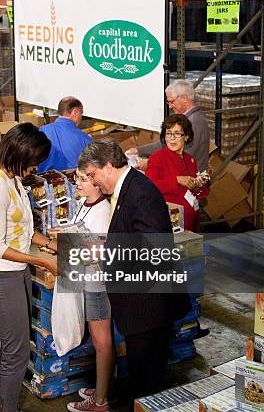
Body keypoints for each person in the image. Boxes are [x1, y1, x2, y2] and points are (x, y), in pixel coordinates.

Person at [78, 140, 190, 404]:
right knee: (141, 378)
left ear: (107, 166)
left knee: (146, 383)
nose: (93, 182)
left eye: (93, 175)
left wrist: (106, 255)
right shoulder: (126, 188)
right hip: (140, 303)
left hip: (147, 305)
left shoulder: (139, 192)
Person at [0, 122, 57, 412]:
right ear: (19, 154)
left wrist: (49, 244)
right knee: (16, 352)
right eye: (33, 162)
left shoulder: (13, 181)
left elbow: (22, 230)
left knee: (18, 348)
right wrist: (41, 261)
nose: (35, 168)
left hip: (15, 271)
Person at [51, 169, 113, 412]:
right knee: (97, 338)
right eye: (76, 178)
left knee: (101, 341)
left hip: (97, 282)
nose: (77, 183)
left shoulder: (103, 211)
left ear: (98, 183)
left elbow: (96, 252)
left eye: (84, 179)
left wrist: (64, 245)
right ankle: (101, 387)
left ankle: (100, 402)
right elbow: (80, 232)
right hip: (85, 279)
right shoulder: (84, 204)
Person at [128, 80, 210, 172]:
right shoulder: (185, 119)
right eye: (169, 102)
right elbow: (165, 143)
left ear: (184, 98)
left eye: (172, 102)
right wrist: (139, 150)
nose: (170, 106)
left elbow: (182, 154)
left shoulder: (195, 122)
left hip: (190, 179)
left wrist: (150, 163)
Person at [145, 114, 209, 232]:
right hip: (172, 219)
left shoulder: (190, 160)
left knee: (190, 248)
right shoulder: (157, 158)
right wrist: (177, 180)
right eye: (168, 133)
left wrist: (199, 185)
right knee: (175, 248)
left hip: (191, 222)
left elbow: (195, 193)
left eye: (177, 133)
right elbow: (149, 186)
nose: (172, 138)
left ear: (186, 137)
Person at [38, 96, 93, 172]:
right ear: (75, 112)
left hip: (42, 180)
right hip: (73, 182)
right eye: (81, 113)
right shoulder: (85, 139)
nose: (81, 117)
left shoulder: (41, 131)